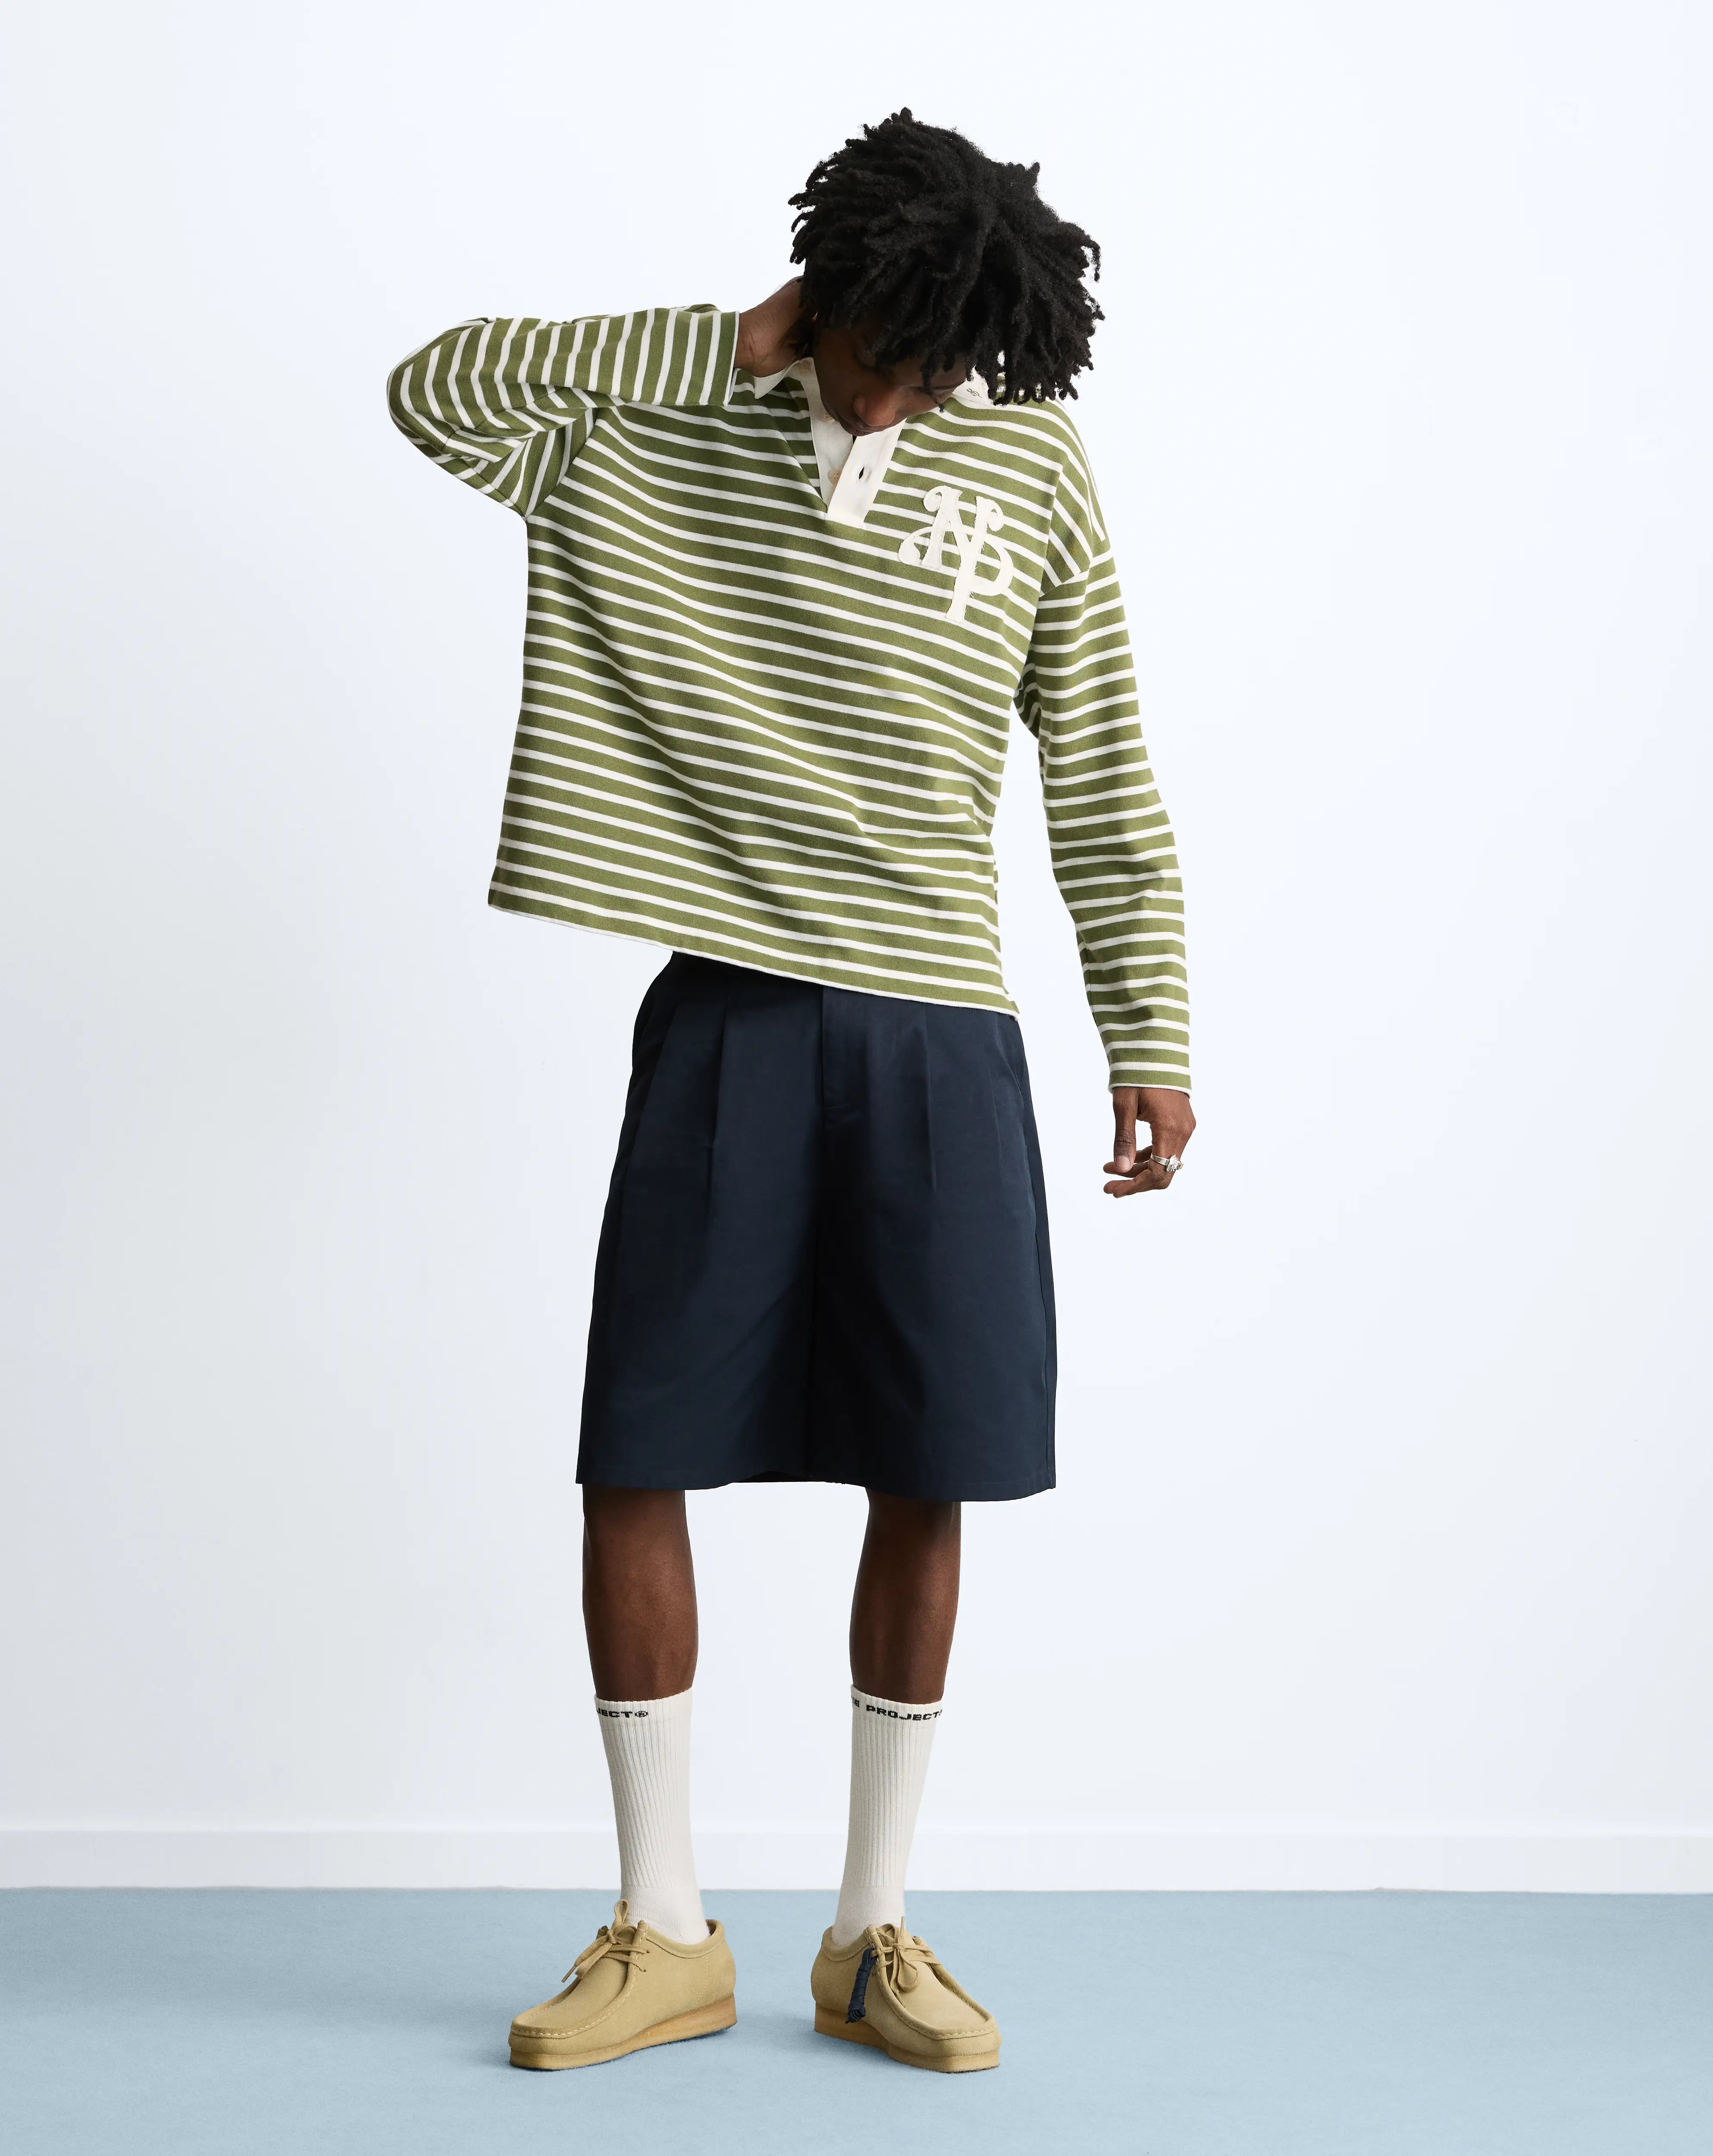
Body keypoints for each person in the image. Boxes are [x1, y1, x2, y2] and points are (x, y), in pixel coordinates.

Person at [387, 109, 1193, 2077]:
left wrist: (1149, 1028)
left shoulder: (1033, 467)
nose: (892, 389)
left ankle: (869, 1928)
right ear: (819, 292)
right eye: (870, 344)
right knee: (638, 1442)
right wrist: (731, 342)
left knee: (935, 1460)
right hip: (730, 1005)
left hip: (942, 1031)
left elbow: (1099, 763)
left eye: (933, 358)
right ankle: (663, 1927)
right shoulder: (664, 418)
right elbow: (434, 391)